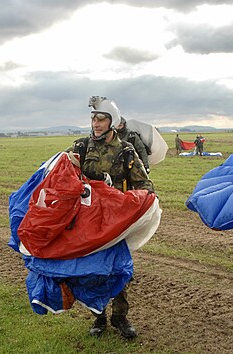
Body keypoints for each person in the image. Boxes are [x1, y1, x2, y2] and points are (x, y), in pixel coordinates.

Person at [67, 96, 154, 339]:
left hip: (116, 221)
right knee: (93, 269)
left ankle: (120, 317)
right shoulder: (81, 147)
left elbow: (144, 184)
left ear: (111, 122)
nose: (96, 123)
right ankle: (98, 317)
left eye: (101, 119)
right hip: (88, 218)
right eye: (93, 119)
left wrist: (135, 202)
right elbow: (61, 171)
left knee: (118, 269)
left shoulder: (125, 151)